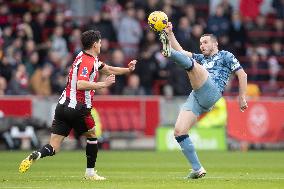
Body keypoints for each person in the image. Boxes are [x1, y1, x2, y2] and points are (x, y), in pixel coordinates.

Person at [18, 30, 137, 180]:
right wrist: (103, 84)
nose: (101, 45)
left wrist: (128, 69)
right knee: (93, 136)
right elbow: (80, 84)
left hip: (62, 106)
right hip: (78, 107)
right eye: (100, 42)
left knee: (53, 146)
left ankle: (37, 154)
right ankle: (90, 173)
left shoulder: (83, 57)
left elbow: (108, 69)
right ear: (95, 44)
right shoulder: (88, 61)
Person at [159, 22, 248, 179]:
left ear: (215, 43)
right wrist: (171, 34)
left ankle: (168, 53)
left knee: (193, 66)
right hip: (197, 95)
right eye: (200, 43)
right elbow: (181, 52)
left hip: (212, 91)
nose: (202, 45)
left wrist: (242, 97)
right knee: (179, 131)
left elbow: (243, 75)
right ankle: (197, 168)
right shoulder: (201, 58)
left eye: (205, 42)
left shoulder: (226, 55)